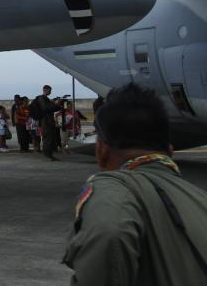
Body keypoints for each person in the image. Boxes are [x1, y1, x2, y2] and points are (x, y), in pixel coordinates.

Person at [63, 83, 207, 284]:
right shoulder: (199, 198)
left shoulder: (114, 187)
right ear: (170, 151)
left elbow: (108, 233)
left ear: (101, 151)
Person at [32, 85, 61, 160]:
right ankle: (48, 155)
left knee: (50, 138)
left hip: (48, 121)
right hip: (46, 122)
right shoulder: (42, 98)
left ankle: (49, 154)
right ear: (45, 90)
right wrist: (55, 104)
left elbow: (51, 108)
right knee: (47, 139)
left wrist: (56, 105)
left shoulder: (45, 99)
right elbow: (46, 108)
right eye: (49, 90)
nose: (50, 92)